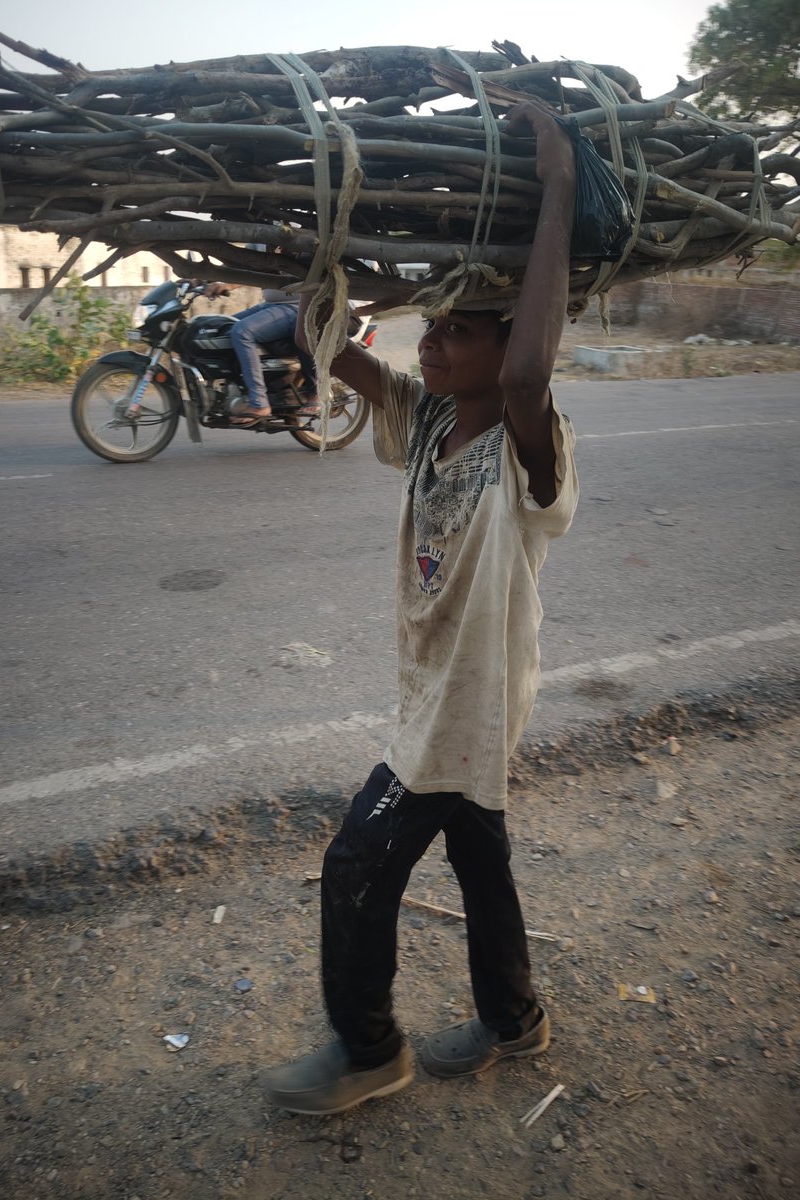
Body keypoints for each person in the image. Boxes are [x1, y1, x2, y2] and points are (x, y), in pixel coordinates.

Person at [264, 97, 579, 1115]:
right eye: (432, 326)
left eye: (459, 331)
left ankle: (368, 1049)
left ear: (507, 349)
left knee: (359, 855)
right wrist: (315, 244)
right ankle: (517, 1018)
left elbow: (531, 370)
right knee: (477, 847)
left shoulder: (535, 442)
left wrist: (559, 187)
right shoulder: (429, 413)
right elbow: (327, 336)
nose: (433, 343)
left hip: (469, 699)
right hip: (434, 683)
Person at [203, 282, 318, 421]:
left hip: (296, 307)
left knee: (242, 332)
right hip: (271, 305)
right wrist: (199, 279)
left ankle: (259, 403)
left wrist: (228, 284)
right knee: (219, 328)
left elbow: (255, 269)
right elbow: (244, 265)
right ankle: (236, 392)